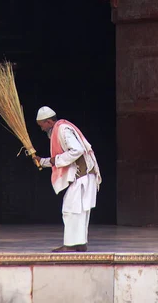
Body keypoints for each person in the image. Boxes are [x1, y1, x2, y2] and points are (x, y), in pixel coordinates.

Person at [33, 106, 101, 252]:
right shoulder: (60, 129)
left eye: (42, 125)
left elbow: (77, 150)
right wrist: (43, 161)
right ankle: (80, 243)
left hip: (82, 176)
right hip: (84, 177)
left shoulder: (63, 129)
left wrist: (51, 161)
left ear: (50, 122)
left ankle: (71, 245)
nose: (42, 129)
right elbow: (57, 159)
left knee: (70, 210)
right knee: (79, 210)